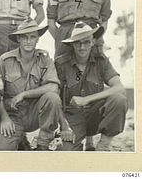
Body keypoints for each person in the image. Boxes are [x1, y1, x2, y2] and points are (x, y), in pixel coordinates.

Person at [55, 21, 128, 151]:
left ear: (93, 42)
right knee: (65, 152)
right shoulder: (61, 64)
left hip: (95, 114)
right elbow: (55, 98)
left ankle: (103, 145)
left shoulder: (101, 61)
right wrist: (64, 126)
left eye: (86, 42)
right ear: (72, 44)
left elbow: (119, 88)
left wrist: (86, 99)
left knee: (119, 100)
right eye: (78, 42)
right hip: (73, 117)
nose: (82, 47)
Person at [0, 19, 61, 150]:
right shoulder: (5, 60)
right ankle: (20, 140)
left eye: (33, 37)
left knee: (53, 98)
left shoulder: (45, 59)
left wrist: (25, 94)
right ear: (18, 38)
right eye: (25, 37)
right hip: (13, 115)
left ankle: (43, 144)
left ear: (37, 39)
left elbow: (53, 87)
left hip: (35, 113)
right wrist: (5, 118)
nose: (29, 41)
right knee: (1, 150)